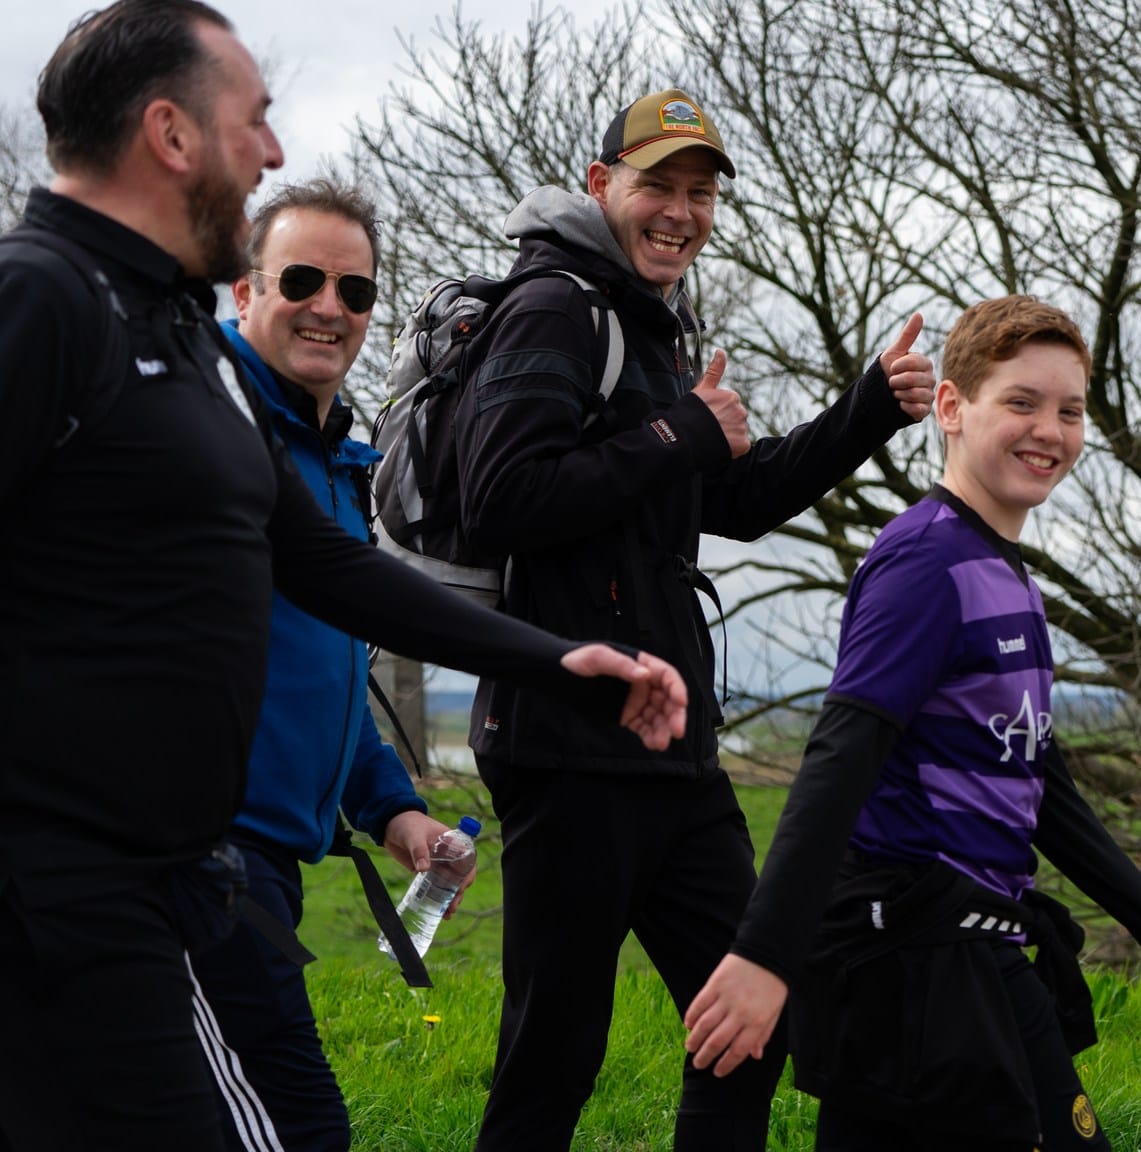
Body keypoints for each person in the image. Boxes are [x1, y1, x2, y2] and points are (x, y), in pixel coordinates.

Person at [0, 6, 688, 1150]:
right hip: (67, 888)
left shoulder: (176, 336)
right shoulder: (43, 297)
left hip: (168, 884)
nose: (271, 151)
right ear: (171, 133)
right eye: (254, 121)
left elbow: (326, 566)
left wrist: (556, 659)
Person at [454, 88, 934, 1151]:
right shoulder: (555, 308)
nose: (681, 212)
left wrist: (865, 409)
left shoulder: (648, 325)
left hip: (673, 753)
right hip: (568, 745)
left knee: (750, 1023)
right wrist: (678, 433)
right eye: (657, 186)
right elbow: (503, 498)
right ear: (599, 185)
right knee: (554, 1054)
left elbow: (734, 500)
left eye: (700, 194)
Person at [684, 295, 1141, 1152]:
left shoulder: (1003, 572)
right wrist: (763, 956)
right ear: (950, 407)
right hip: (915, 959)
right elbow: (840, 761)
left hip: (953, 948)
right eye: (1021, 402)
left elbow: (1037, 784)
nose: (1049, 430)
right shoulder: (926, 562)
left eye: (1070, 411)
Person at [175, 178, 460, 1152]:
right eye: (300, 280)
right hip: (198, 859)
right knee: (299, 1125)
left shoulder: (342, 469)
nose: (330, 307)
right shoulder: (203, 434)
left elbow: (322, 676)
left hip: (266, 870)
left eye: (356, 290)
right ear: (244, 291)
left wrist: (394, 811)